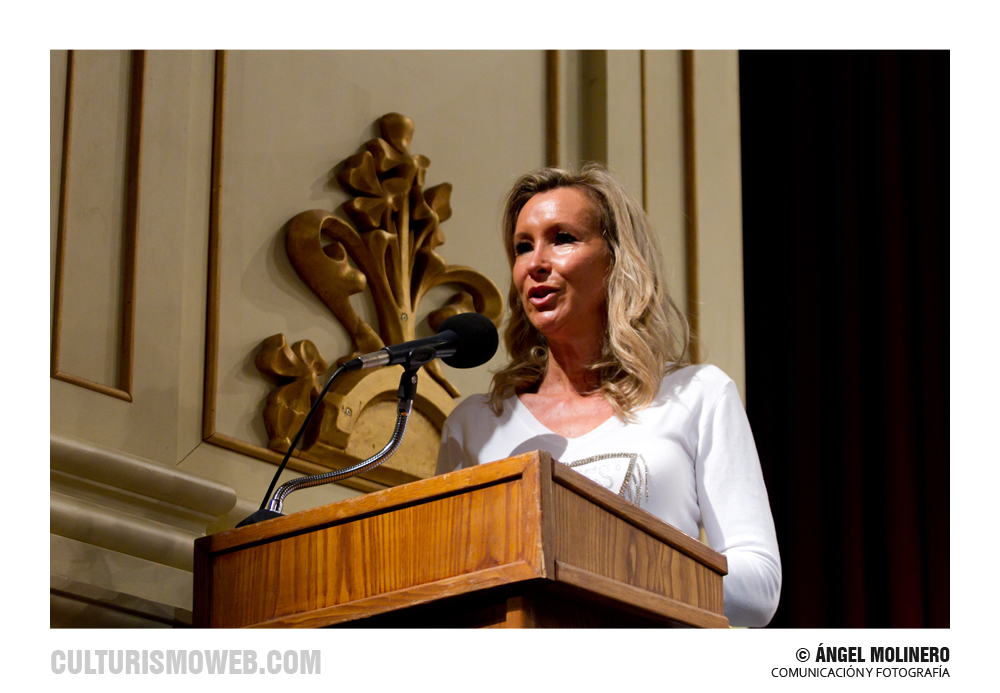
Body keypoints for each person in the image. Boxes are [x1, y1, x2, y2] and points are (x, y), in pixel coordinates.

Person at [435, 164, 781, 627]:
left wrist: (606, 562)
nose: (536, 263)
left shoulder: (696, 395)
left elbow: (758, 590)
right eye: (522, 247)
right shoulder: (476, 424)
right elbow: (446, 591)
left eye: (562, 239)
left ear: (616, 259)